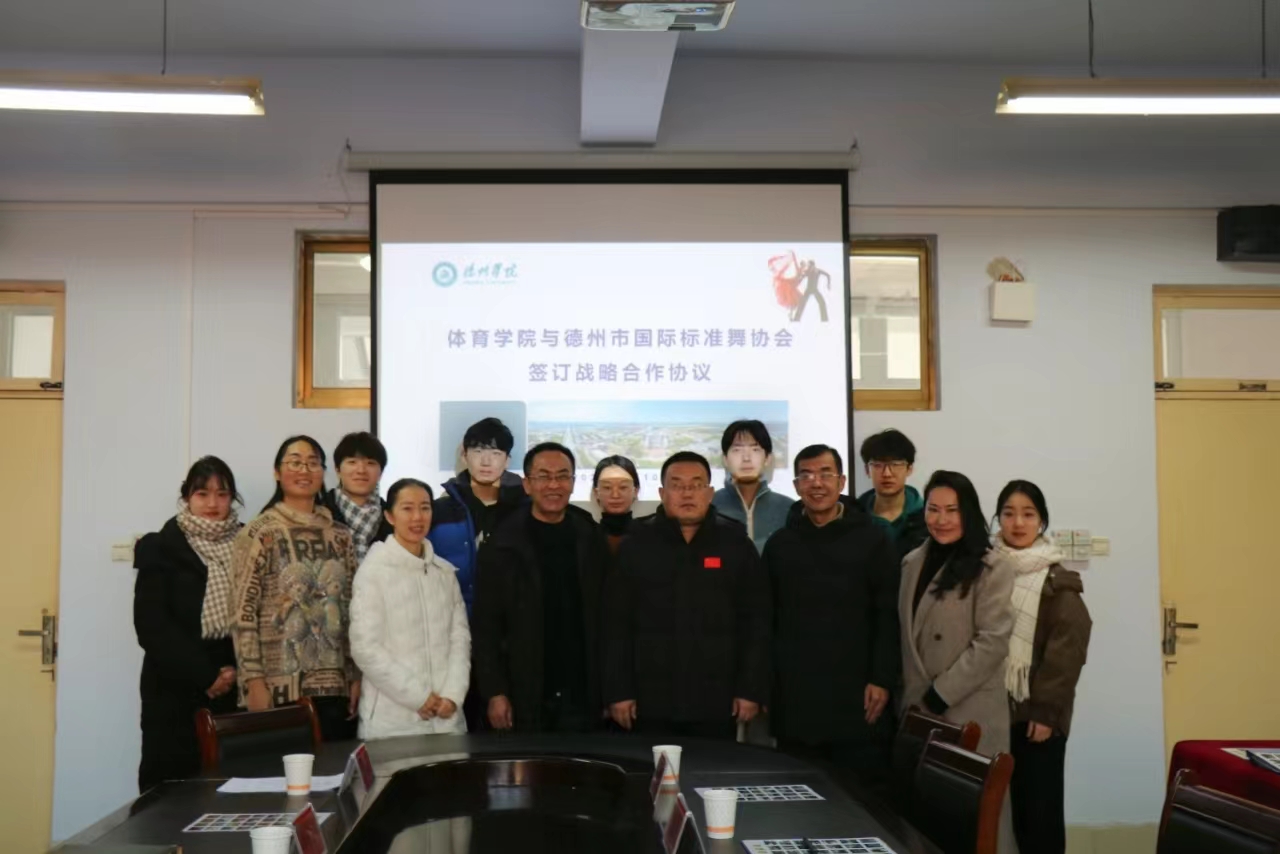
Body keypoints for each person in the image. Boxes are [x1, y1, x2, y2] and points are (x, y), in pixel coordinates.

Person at [604, 451, 771, 740]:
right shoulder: (637, 544)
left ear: (709, 493)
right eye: (677, 485)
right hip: (649, 701)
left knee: (712, 769)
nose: (687, 493)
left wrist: (750, 689)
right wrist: (619, 692)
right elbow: (615, 624)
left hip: (717, 700)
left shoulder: (734, 543)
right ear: (662, 493)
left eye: (696, 485)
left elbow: (756, 622)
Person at [764, 444, 900, 787]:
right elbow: (766, 620)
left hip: (858, 697)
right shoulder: (780, 545)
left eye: (826, 474)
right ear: (796, 486)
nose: (816, 483)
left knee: (860, 799)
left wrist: (882, 678)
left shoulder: (874, 539)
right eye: (807, 476)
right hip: (797, 699)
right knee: (799, 799)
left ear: (841, 481)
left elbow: (887, 615)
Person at [472, 442, 609, 733]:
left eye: (562, 476)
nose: (554, 485)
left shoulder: (590, 536)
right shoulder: (502, 543)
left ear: (573, 482)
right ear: (527, 484)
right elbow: (486, 626)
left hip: (582, 691)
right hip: (524, 693)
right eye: (543, 476)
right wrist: (495, 691)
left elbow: (609, 620)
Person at [231, 435, 360, 740]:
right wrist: (253, 681)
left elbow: (352, 609)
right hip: (277, 691)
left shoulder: (341, 536)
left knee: (334, 768)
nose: (304, 470)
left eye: (313, 463)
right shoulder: (259, 533)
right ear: (277, 472)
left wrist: (356, 675)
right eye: (295, 462)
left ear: (323, 473)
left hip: (335, 688)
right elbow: (242, 613)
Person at [993, 480, 1091, 854]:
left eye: (1028, 514)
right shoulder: (988, 570)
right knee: (1004, 816)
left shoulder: (1057, 581)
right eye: (1009, 513)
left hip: (1037, 719)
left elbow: (1068, 651)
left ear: (1042, 521)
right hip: (996, 712)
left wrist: (1046, 712)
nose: (1018, 523)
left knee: (1039, 817)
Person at [133, 456, 242, 792]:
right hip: (174, 686)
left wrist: (232, 671)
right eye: (202, 494)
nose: (212, 503)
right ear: (186, 498)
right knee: (171, 792)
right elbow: (151, 625)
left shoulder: (248, 542)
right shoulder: (159, 546)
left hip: (232, 682)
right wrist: (206, 676)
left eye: (222, 494)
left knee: (229, 789)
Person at [898, 470, 1013, 757]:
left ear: (969, 513)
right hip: (917, 709)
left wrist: (941, 693)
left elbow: (993, 642)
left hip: (967, 709)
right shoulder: (910, 563)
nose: (941, 520)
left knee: (966, 785)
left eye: (952, 510)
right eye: (933, 509)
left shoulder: (991, 566)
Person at [350, 479, 470, 739]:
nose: (417, 517)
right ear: (390, 516)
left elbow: (460, 638)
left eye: (425, 508)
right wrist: (418, 697)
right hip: (392, 721)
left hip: (447, 717)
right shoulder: (374, 571)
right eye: (407, 508)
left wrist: (453, 695)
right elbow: (365, 648)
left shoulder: (444, 572)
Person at [429, 417, 528, 616]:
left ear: (507, 460)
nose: (486, 461)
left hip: (514, 621)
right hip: (454, 619)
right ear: (464, 456)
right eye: (478, 451)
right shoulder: (440, 510)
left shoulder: (526, 509)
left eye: (496, 453)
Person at [711, 419, 792, 553]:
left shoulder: (788, 509)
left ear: (767, 458)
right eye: (737, 450)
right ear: (725, 459)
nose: (746, 458)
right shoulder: (709, 507)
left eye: (755, 449)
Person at [322, 431, 393, 563]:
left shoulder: (393, 518)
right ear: (338, 470)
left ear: (381, 472)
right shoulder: (319, 511)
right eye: (352, 462)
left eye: (370, 463)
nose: (361, 470)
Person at [857, 429, 928, 561]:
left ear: (909, 469)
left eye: (895, 464)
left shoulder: (927, 517)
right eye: (878, 465)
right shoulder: (853, 517)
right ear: (867, 470)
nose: (887, 473)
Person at [592, 455, 640, 555]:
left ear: (635, 491)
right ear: (596, 493)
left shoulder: (651, 537)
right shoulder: (584, 537)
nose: (615, 495)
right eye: (607, 487)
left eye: (623, 487)